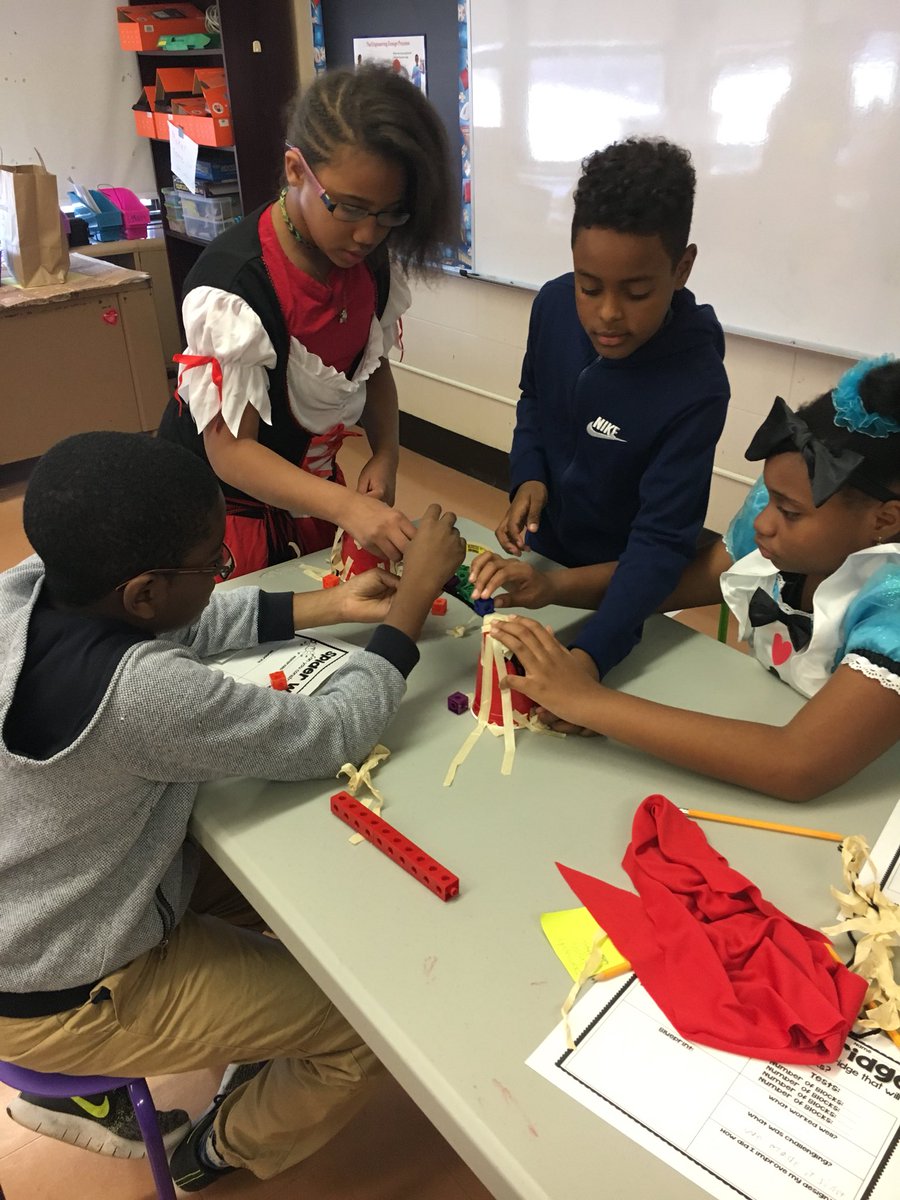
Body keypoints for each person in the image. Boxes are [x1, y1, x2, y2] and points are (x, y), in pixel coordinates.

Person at [0, 432, 465, 1191]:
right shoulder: (142, 696)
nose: (222, 575)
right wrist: (406, 609)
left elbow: (182, 621)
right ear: (144, 591)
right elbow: (332, 734)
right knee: (368, 1029)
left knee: (282, 875)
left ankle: (253, 1018)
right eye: (213, 564)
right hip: (64, 988)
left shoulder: (26, 588)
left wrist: (330, 603)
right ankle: (219, 1148)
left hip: (35, 919)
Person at [484, 357, 900, 801]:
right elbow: (687, 579)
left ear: (885, 519)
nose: (762, 522)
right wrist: (553, 588)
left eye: (789, 511)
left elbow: (798, 763)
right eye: (769, 499)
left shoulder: (891, 607)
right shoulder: (793, 534)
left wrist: (587, 702)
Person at [158, 64, 457, 578]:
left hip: (308, 493)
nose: (368, 235)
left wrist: (386, 453)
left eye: (390, 214)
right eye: (349, 208)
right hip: (220, 510)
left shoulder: (368, 262)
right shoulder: (237, 285)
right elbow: (231, 452)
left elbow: (372, 366)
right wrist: (347, 507)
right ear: (296, 170)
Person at [476, 137, 729, 728]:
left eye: (637, 292)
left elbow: (661, 547)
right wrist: (529, 474)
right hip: (543, 561)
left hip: (619, 589)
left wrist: (593, 656)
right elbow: (534, 398)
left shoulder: (696, 386)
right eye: (590, 286)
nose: (608, 314)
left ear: (682, 268)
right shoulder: (554, 306)